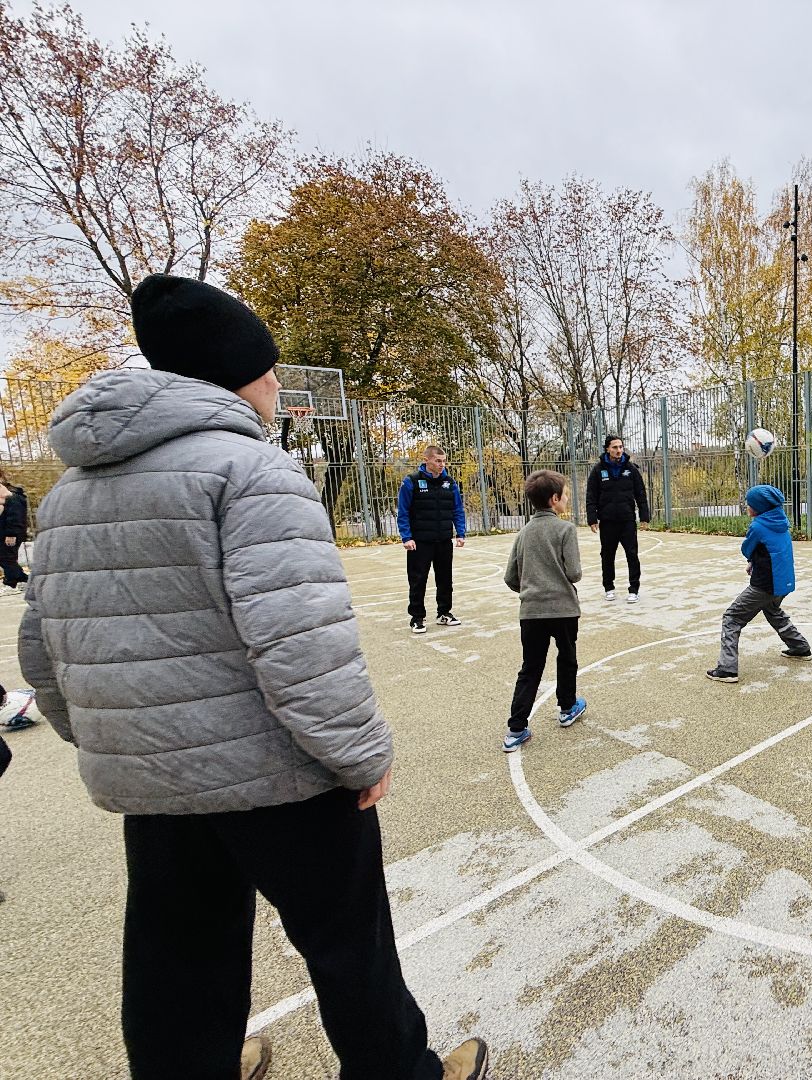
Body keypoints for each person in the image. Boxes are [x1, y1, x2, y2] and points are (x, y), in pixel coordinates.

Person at [16, 275, 489, 1080]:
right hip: (279, 780)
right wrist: (360, 755)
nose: (278, 383)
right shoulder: (252, 473)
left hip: (156, 782)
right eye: (269, 367)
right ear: (236, 371)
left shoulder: (67, 494)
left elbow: (41, 649)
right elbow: (300, 645)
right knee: (349, 948)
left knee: (175, 956)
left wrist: (115, 738)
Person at [502, 469, 586, 752]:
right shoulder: (566, 529)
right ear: (554, 499)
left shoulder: (523, 533)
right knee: (567, 657)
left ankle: (516, 728)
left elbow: (510, 577)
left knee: (531, 667)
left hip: (531, 613)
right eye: (564, 496)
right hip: (563, 609)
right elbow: (574, 572)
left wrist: (531, 591)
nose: (566, 500)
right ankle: (566, 707)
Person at [707, 485, 811, 683]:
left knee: (732, 617)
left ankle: (727, 668)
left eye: (750, 504)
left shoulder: (757, 526)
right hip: (784, 582)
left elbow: (747, 548)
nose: (747, 506)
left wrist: (751, 559)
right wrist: (754, 562)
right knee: (772, 610)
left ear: (759, 507)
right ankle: (799, 647)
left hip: (765, 584)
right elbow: (770, 550)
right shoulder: (782, 522)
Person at [397, 445, 467, 635]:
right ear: (426, 460)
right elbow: (403, 512)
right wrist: (407, 537)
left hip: (443, 540)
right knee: (418, 580)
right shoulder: (411, 482)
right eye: (438, 461)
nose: (441, 465)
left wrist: (460, 533)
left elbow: (457, 510)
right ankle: (417, 618)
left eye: (444, 461)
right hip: (419, 542)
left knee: (445, 579)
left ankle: (444, 613)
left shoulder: (450, 483)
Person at [585, 434, 650, 603]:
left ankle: (633, 589)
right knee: (607, 555)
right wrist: (592, 518)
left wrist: (644, 516)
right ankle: (609, 587)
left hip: (627, 520)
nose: (618, 450)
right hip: (607, 521)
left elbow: (640, 494)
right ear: (607, 449)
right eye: (615, 447)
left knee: (632, 554)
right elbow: (591, 495)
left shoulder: (631, 469)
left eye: (620, 447)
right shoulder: (598, 470)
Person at [0, 468, 29, 590]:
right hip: (5, 534)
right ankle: (15, 579)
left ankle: (17, 581)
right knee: (5, 558)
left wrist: (11, 535)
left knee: (7, 558)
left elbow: (16, 518)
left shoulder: (13, 496)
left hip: (11, 534)